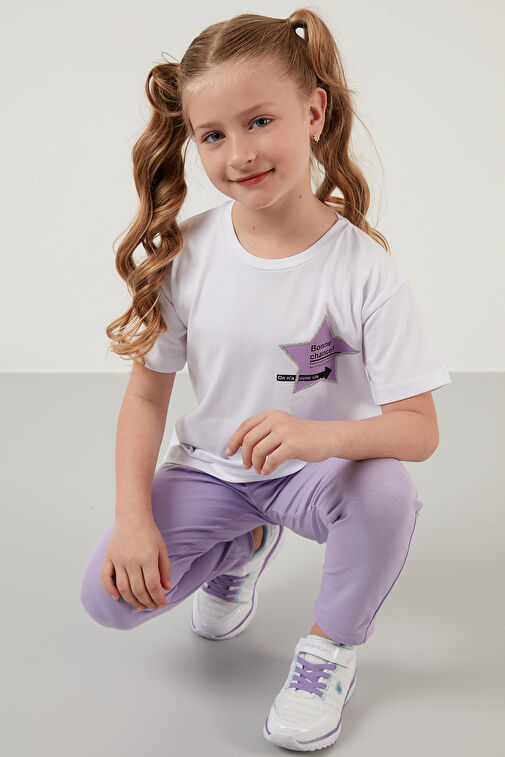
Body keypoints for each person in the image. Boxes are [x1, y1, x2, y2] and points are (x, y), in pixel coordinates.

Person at [80, 8, 451, 751]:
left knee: (385, 494)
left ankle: (328, 650)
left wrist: (319, 438)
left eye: (259, 121)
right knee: (109, 600)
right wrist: (133, 518)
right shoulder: (187, 254)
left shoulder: (365, 270)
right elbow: (146, 395)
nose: (240, 153)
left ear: (312, 112)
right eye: (213, 135)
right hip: (214, 471)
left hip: (315, 473)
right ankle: (244, 543)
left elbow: (419, 430)